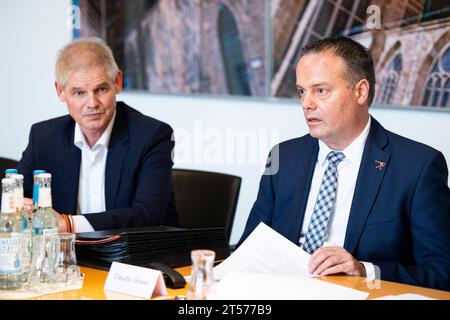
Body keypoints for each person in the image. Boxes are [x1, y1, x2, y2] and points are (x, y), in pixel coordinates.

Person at [239, 37, 450, 291]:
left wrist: (364, 270)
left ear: (360, 91)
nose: (307, 103)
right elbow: (247, 250)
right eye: (301, 92)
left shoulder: (417, 167)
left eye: (321, 91)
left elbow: (441, 272)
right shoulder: (283, 157)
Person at [17, 37, 177, 233]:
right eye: (79, 93)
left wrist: (68, 224)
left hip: (135, 258)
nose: (92, 103)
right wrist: (20, 206)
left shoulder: (152, 136)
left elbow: (147, 215)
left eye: (101, 89)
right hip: (70, 257)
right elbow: (14, 195)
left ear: (117, 82)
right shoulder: (43, 137)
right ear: (60, 91)